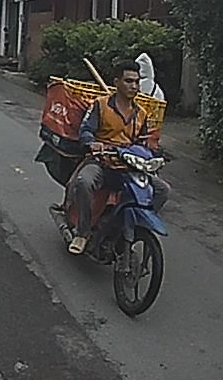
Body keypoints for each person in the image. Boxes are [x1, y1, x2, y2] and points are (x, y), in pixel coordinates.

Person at [66, 61, 170, 255]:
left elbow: (143, 142)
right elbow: (86, 130)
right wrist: (92, 143)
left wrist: (154, 152)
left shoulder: (142, 114)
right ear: (117, 82)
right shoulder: (101, 105)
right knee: (84, 182)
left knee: (162, 189)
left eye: (136, 82)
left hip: (128, 167)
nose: (134, 86)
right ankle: (82, 232)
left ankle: (132, 227)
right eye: (128, 81)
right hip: (102, 162)